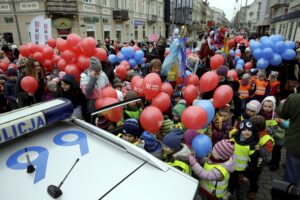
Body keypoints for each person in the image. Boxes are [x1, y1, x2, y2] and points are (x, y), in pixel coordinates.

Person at [276, 81, 300, 186]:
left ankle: (289, 191)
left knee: (291, 174)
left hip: (296, 143)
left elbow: (282, 113)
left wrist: (283, 103)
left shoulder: (295, 98)